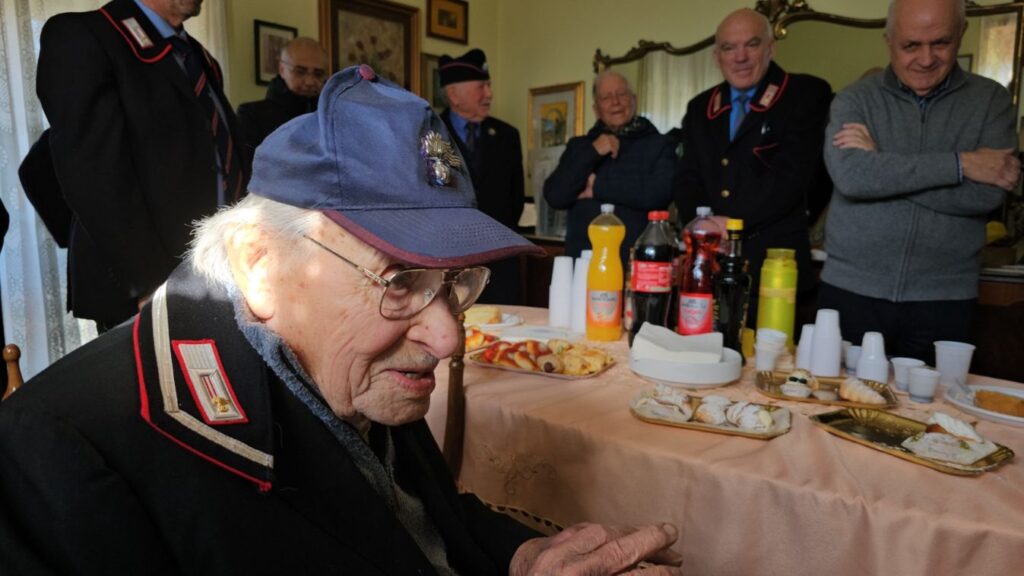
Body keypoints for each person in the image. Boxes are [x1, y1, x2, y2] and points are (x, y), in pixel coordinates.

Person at [0, 65, 683, 575]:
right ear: (261, 263)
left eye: (455, 284)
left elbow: (410, 518)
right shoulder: (62, 451)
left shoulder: (345, 357)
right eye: (400, 280)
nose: (447, 338)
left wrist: (523, 555)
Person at [820, 0, 1019, 363]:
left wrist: (883, 166)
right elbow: (853, 178)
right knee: (835, 410)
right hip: (851, 292)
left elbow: (986, 193)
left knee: (933, 417)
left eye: (940, 43)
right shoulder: (856, 100)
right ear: (888, 40)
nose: (926, 59)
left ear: (961, 35)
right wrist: (963, 164)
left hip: (945, 300)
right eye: (911, 45)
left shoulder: (991, 100)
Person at [32, 0, 248, 330]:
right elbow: (93, 173)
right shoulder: (84, 35)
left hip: (213, 272)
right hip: (150, 284)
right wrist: (149, 282)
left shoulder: (199, 57)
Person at [673, 8, 832, 324]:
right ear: (717, 56)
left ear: (771, 48)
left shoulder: (806, 94)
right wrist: (704, 224)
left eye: (752, 44)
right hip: (710, 264)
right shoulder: (700, 107)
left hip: (773, 268)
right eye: (729, 48)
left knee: (774, 368)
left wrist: (730, 225)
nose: (740, 57)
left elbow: (793, 178)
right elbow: (687, 178)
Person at [543, 70, 675, 264]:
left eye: (621, 94)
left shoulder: (660, 144)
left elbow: (658, 193)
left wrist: (596, 186)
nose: (615, 102)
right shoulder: (580, 146)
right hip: (585, 262)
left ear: (634, 99)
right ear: (596, 108)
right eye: (606, 97)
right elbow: (555, 195)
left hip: (639, 264)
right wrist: (593, 152)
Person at [439, 48, 526, 305]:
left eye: (489, 86)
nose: (490, 94)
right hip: (449, 263)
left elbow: (515, 200)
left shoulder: (508, 135)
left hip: (500, 264)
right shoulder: (429, 132)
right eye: (482, 86)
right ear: (454, 94)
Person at [236, 37, 328, 166]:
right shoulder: (251, 115)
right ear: (282, 69)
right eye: (300, 72)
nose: (310, 82)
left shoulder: (331, 115)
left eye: (318, 74)